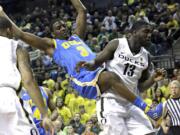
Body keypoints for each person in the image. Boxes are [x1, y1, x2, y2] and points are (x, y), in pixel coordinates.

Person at [0, 0, 164, 122]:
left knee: (119, 77)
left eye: (64, 25)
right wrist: (2, 13)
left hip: (97, 70)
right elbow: (21, 34)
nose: (63, 28)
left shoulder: (76, 38)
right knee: (111, 77)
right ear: (52, 33)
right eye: (58, 27)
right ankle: (149, 110)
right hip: (81, 78)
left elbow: (82, 11)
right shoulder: (52, 45)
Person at [0, 16, 54, 134]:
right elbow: (28, 80)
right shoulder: (14, 46)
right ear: (9, 30)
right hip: (7, 98)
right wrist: (44, 115)